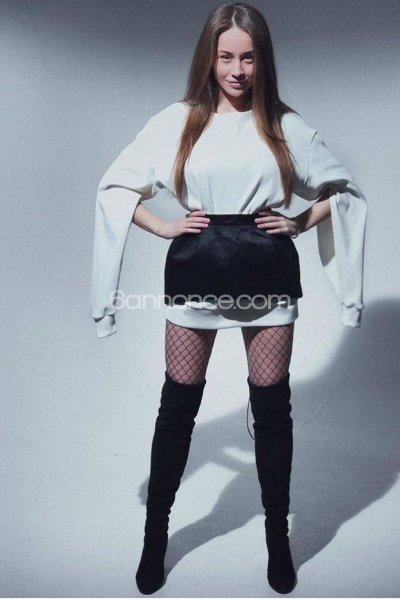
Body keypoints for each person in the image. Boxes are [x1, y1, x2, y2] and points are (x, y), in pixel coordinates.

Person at [90, 2, 367, 595]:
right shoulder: (179, 121)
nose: (237, 70)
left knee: (272, 411)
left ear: (263, 60)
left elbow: (342, 190)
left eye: (248, 57)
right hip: (197, 268)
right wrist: (164, 226)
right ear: (209, 59)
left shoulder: (284, 125)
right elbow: (116, 186)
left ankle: (276, 537)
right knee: (178, 407)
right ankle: (155, 535)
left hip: (268, 271)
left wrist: (299, 221)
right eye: (226, 57)